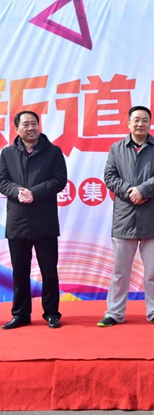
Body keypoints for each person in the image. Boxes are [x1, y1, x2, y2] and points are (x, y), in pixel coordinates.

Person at [98, 106, 154, 327]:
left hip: (152, 217)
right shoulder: (116, 148)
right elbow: (109, 176)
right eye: (136, 120)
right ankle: (114, 313)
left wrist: (143, 190)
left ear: (150, 123)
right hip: (125, 218)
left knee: (153, 271)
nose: (141, 124)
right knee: (120, 272)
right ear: (128, 123)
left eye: (145, 120)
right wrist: (130, 190)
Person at [0, 111, 67, 329]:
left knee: (49, 271)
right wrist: (17, 191)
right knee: (20, 272)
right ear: (16, 129)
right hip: (18, 220)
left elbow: (59, 180)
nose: (31, 128)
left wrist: (34, 193)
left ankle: (52, 313)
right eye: (26, 124)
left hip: (44, 220)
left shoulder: (53, 152)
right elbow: (1, 180)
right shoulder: (7, 153)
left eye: (34, 123)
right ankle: (20, 314)